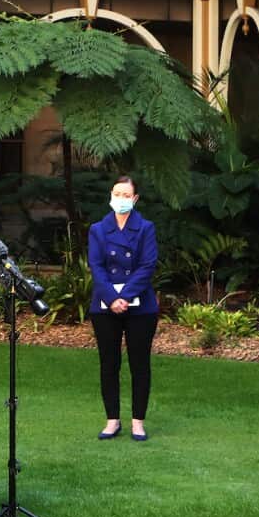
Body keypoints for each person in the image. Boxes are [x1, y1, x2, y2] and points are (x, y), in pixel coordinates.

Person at [87, 176, 159, 442]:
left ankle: (138, 421)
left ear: (135, 199)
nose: (121, 199)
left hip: (140, 306)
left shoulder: (146, 228)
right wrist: (111, 297)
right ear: (111, 195)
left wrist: (125, 296)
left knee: (140, 364)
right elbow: (96, 266)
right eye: (117, 194)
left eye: (126, 195)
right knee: (109, 363)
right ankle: (112, 420)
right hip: (105, 306)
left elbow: (147, 265)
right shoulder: (97, 229)